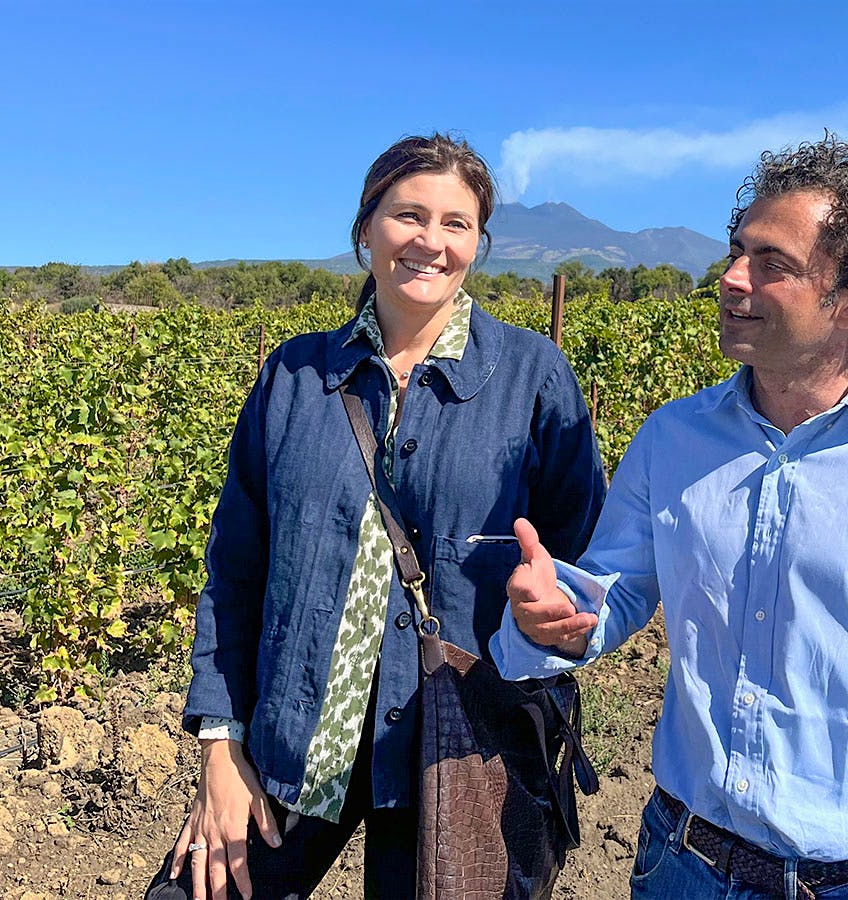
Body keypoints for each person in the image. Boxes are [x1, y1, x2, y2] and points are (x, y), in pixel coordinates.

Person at [495, 135, 848, 899]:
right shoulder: (672, 439)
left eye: (774, 264)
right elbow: (615, 591)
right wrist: (558, 617)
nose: (732, 279)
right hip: (678, 863)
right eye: (736, 253)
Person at [148, 133, 605, 900]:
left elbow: (580, 554)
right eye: (408, 216)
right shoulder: (294, 375)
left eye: (456, 223)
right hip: (296, 738)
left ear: (479, 244)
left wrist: (554, 613)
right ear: (366, 231)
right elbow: (236, 570)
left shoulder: (533, 376)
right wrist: (221, 748)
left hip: (456, 752)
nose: (431, 241)